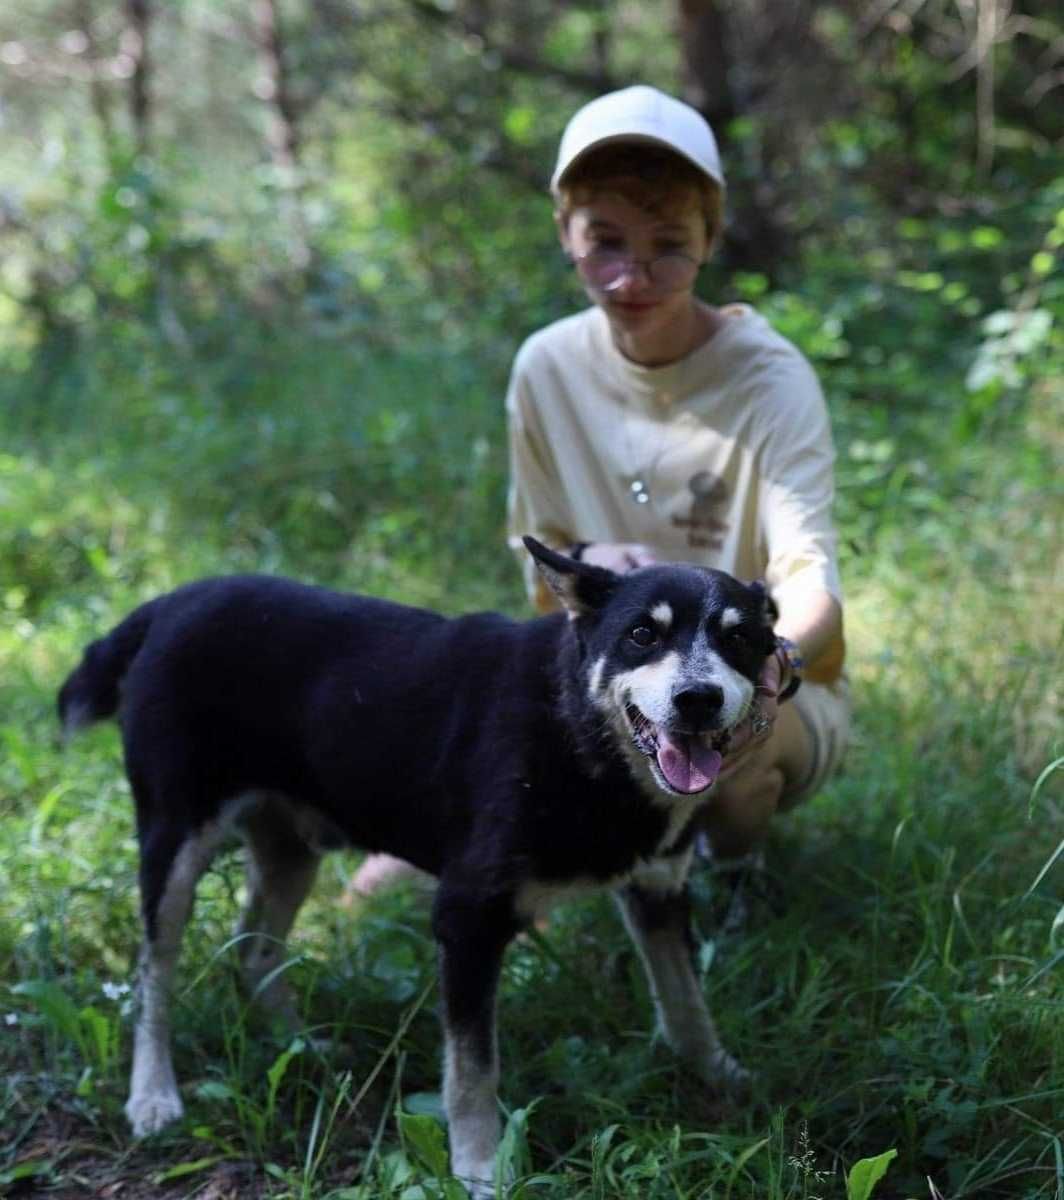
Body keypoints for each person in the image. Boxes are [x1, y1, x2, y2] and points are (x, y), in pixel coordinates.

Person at [347, 84, 849, 905]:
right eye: (605, 243)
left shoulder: (770, 378)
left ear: (711, 238)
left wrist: (776, 664)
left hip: (761, 680)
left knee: (736, 748)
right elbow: (538, 561)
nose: (632, 277)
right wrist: (582, 561)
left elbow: (806, 572)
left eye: (668, 246)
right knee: (480, 740)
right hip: (612, 673)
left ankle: (730, 885)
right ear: (565, 234)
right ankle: (463, 841)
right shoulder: (546, 366)